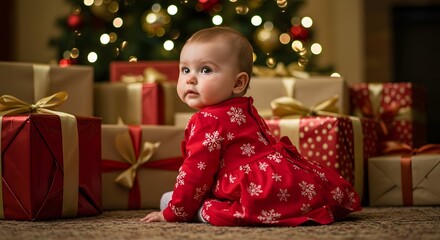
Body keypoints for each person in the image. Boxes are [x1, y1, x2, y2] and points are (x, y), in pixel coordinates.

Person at [140, 26, 362, 226]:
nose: (190, 79)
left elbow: (195, 173)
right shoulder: (244, 108)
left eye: (205, 70)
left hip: (257, 191)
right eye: (185, 70)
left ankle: (200, 212)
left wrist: (175, 211)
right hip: (280, 179)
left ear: (238, 83)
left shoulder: (206, 119)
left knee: (172, 200)